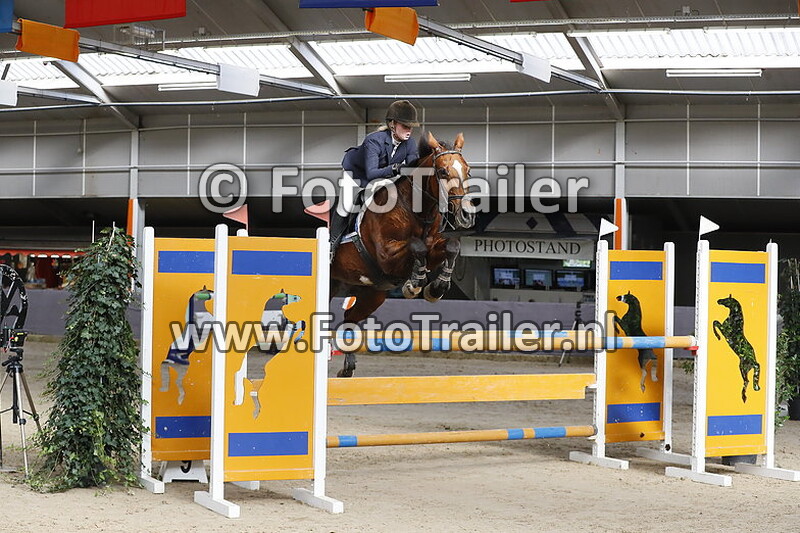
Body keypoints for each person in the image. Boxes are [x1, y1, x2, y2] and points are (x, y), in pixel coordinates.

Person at [329, 100, 420, 261]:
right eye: (405, 126)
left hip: (383, 175)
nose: (409, 130)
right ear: (392, 124)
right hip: (357, 174)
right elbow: (371, 173)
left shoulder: (410, 143)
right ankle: (331, 246)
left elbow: (413, 166)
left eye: (411, 127)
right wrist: (396, 168)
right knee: (346, 205)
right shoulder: (374, 140)